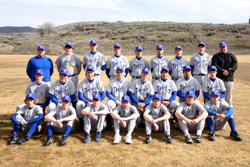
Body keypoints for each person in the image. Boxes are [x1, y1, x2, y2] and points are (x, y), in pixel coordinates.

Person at [76, 66, 105, 131]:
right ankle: (81, 122)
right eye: (88, 72)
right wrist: (88, 102)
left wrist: (98, 101)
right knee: (78, 104)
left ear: (94, 73)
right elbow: (80, 96)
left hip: (97, 101)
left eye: (91, 72)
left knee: (104, 108)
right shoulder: (82, 82)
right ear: (86, 73)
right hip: (87, 102)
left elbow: (103, 95)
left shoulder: (98, 82)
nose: (90, 74)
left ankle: (102, 122)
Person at [55, 42, 82, 108]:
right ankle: (64, 106)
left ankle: (74, 109)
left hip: (73, 76)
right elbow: (58, 66)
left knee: (74, 92)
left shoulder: (75, 57)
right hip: (64, 77)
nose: (68, 49)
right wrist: (63, 75)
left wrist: (75, 74)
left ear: (72, 49)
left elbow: (79, 67)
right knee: (65, 91)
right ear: (65, 48)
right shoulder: (61, 57)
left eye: (69, 48)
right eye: (67, 48)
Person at [211, 42, 238, 107]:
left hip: (229, 79)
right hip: (219, 79)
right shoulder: (216, 56)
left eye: (224, 47)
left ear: (226, 47)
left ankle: (229, 113)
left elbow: (235, 65)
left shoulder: (231, 56)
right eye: (221, 47)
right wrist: (222, 71)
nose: (223, 49)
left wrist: (228, 71)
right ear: (219, 48)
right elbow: (214, 65)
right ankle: (219, 111)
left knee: (228, 96)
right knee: (218, 96)